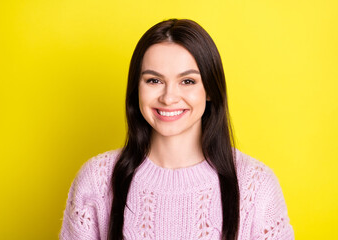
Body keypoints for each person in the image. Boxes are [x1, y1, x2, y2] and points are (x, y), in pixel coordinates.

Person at [59, 19, 294, 240]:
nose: (169, 97)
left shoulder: (256, 185)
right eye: (154, 80)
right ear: (136, 89)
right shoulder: (96, 180)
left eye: (188, 81)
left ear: (210, 89)